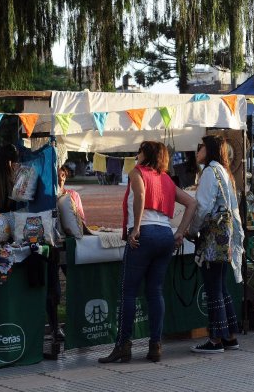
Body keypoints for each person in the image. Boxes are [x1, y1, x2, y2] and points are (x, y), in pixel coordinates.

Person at [99, 141, 197, 363]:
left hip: (145, 234)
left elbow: (141, 196)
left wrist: (135, 228)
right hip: (165, 235)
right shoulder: (167, 179)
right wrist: (180, 232)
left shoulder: (137, 172)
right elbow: (191, 203)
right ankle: (155, 346)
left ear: (147, 155)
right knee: (155, 291)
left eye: (140, 151)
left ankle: (123, 345)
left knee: (129, 291)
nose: (136, 155)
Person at [189, 135, 244, 353]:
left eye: (200, 147)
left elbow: (202, 207)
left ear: (209, 149)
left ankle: (215, 340)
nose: (197, 151)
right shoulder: (223, 171)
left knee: (213, 288)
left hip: (213, 234)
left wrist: (191, 230)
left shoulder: (210, 172)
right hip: (225, 234)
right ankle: (230, 336)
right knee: (221, 287)